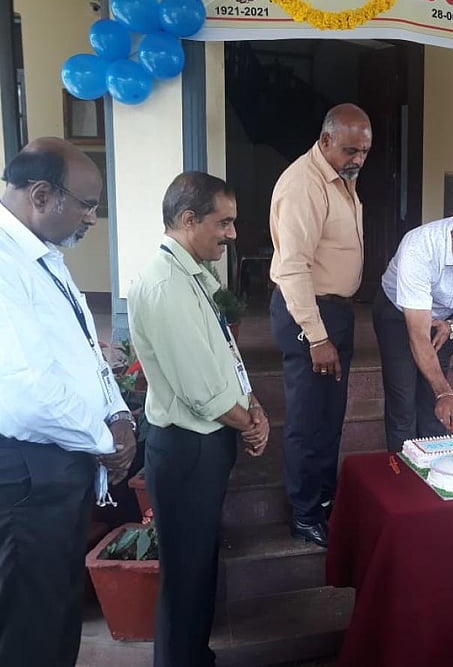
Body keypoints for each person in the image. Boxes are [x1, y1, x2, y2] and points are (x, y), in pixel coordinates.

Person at [0, 137, 136, 666]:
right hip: (28, 473)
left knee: (56, 607)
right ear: (40, 194)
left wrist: (119, 413)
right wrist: (107, 440)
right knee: (30, 622)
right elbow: (27, 390)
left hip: (63, 460)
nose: (93, 219)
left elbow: (84, 349)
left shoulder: (42, 254)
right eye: (87, 205)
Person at [129, 172, 270, 666]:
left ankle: (195, 657)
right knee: (185, 576)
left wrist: (254, 405)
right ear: (189, 220)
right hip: (187, 449)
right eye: (224, 222)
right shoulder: (166, 283)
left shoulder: (194, 272)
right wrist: (247, 420)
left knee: (200, 568)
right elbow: (200, 390)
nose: (233, 234)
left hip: (209, 444)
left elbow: (223, 353)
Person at [269, 103, 372, 548]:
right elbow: (292, 268)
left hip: (336, 311)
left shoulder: (340, 177)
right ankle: (305, 513)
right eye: (350, 150)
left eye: (365, 151)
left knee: (330, 419)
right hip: (309, 314)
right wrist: (317, 336)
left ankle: (324, 501)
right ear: (326, 140)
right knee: (308, 421)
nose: (358, 159)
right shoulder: (303, 186)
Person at [374, 207, 453, 451]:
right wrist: (445, 392)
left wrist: (452, 326)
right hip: (398, 315)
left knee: (433, 404)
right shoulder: (419, 247)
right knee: (403, 402)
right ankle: (402, 475)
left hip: (443, 316)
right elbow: (418, 334)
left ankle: (431, 470)